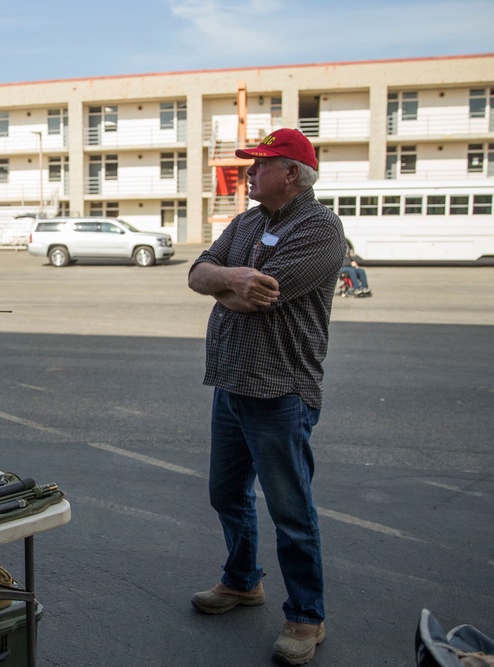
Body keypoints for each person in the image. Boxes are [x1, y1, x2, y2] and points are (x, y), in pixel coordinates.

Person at [187, 128, 345, 666]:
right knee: (226, 494)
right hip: (231, 383)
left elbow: (263, 296)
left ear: (292, 174)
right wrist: (227, 276)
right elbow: (196, 273)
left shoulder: (321, 228)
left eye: (260, 164)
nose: (250, 172)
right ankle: (242, 581)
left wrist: (223, 286)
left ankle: (306, 616)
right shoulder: (247, 221)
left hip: (280, 391)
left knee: (291, 511)